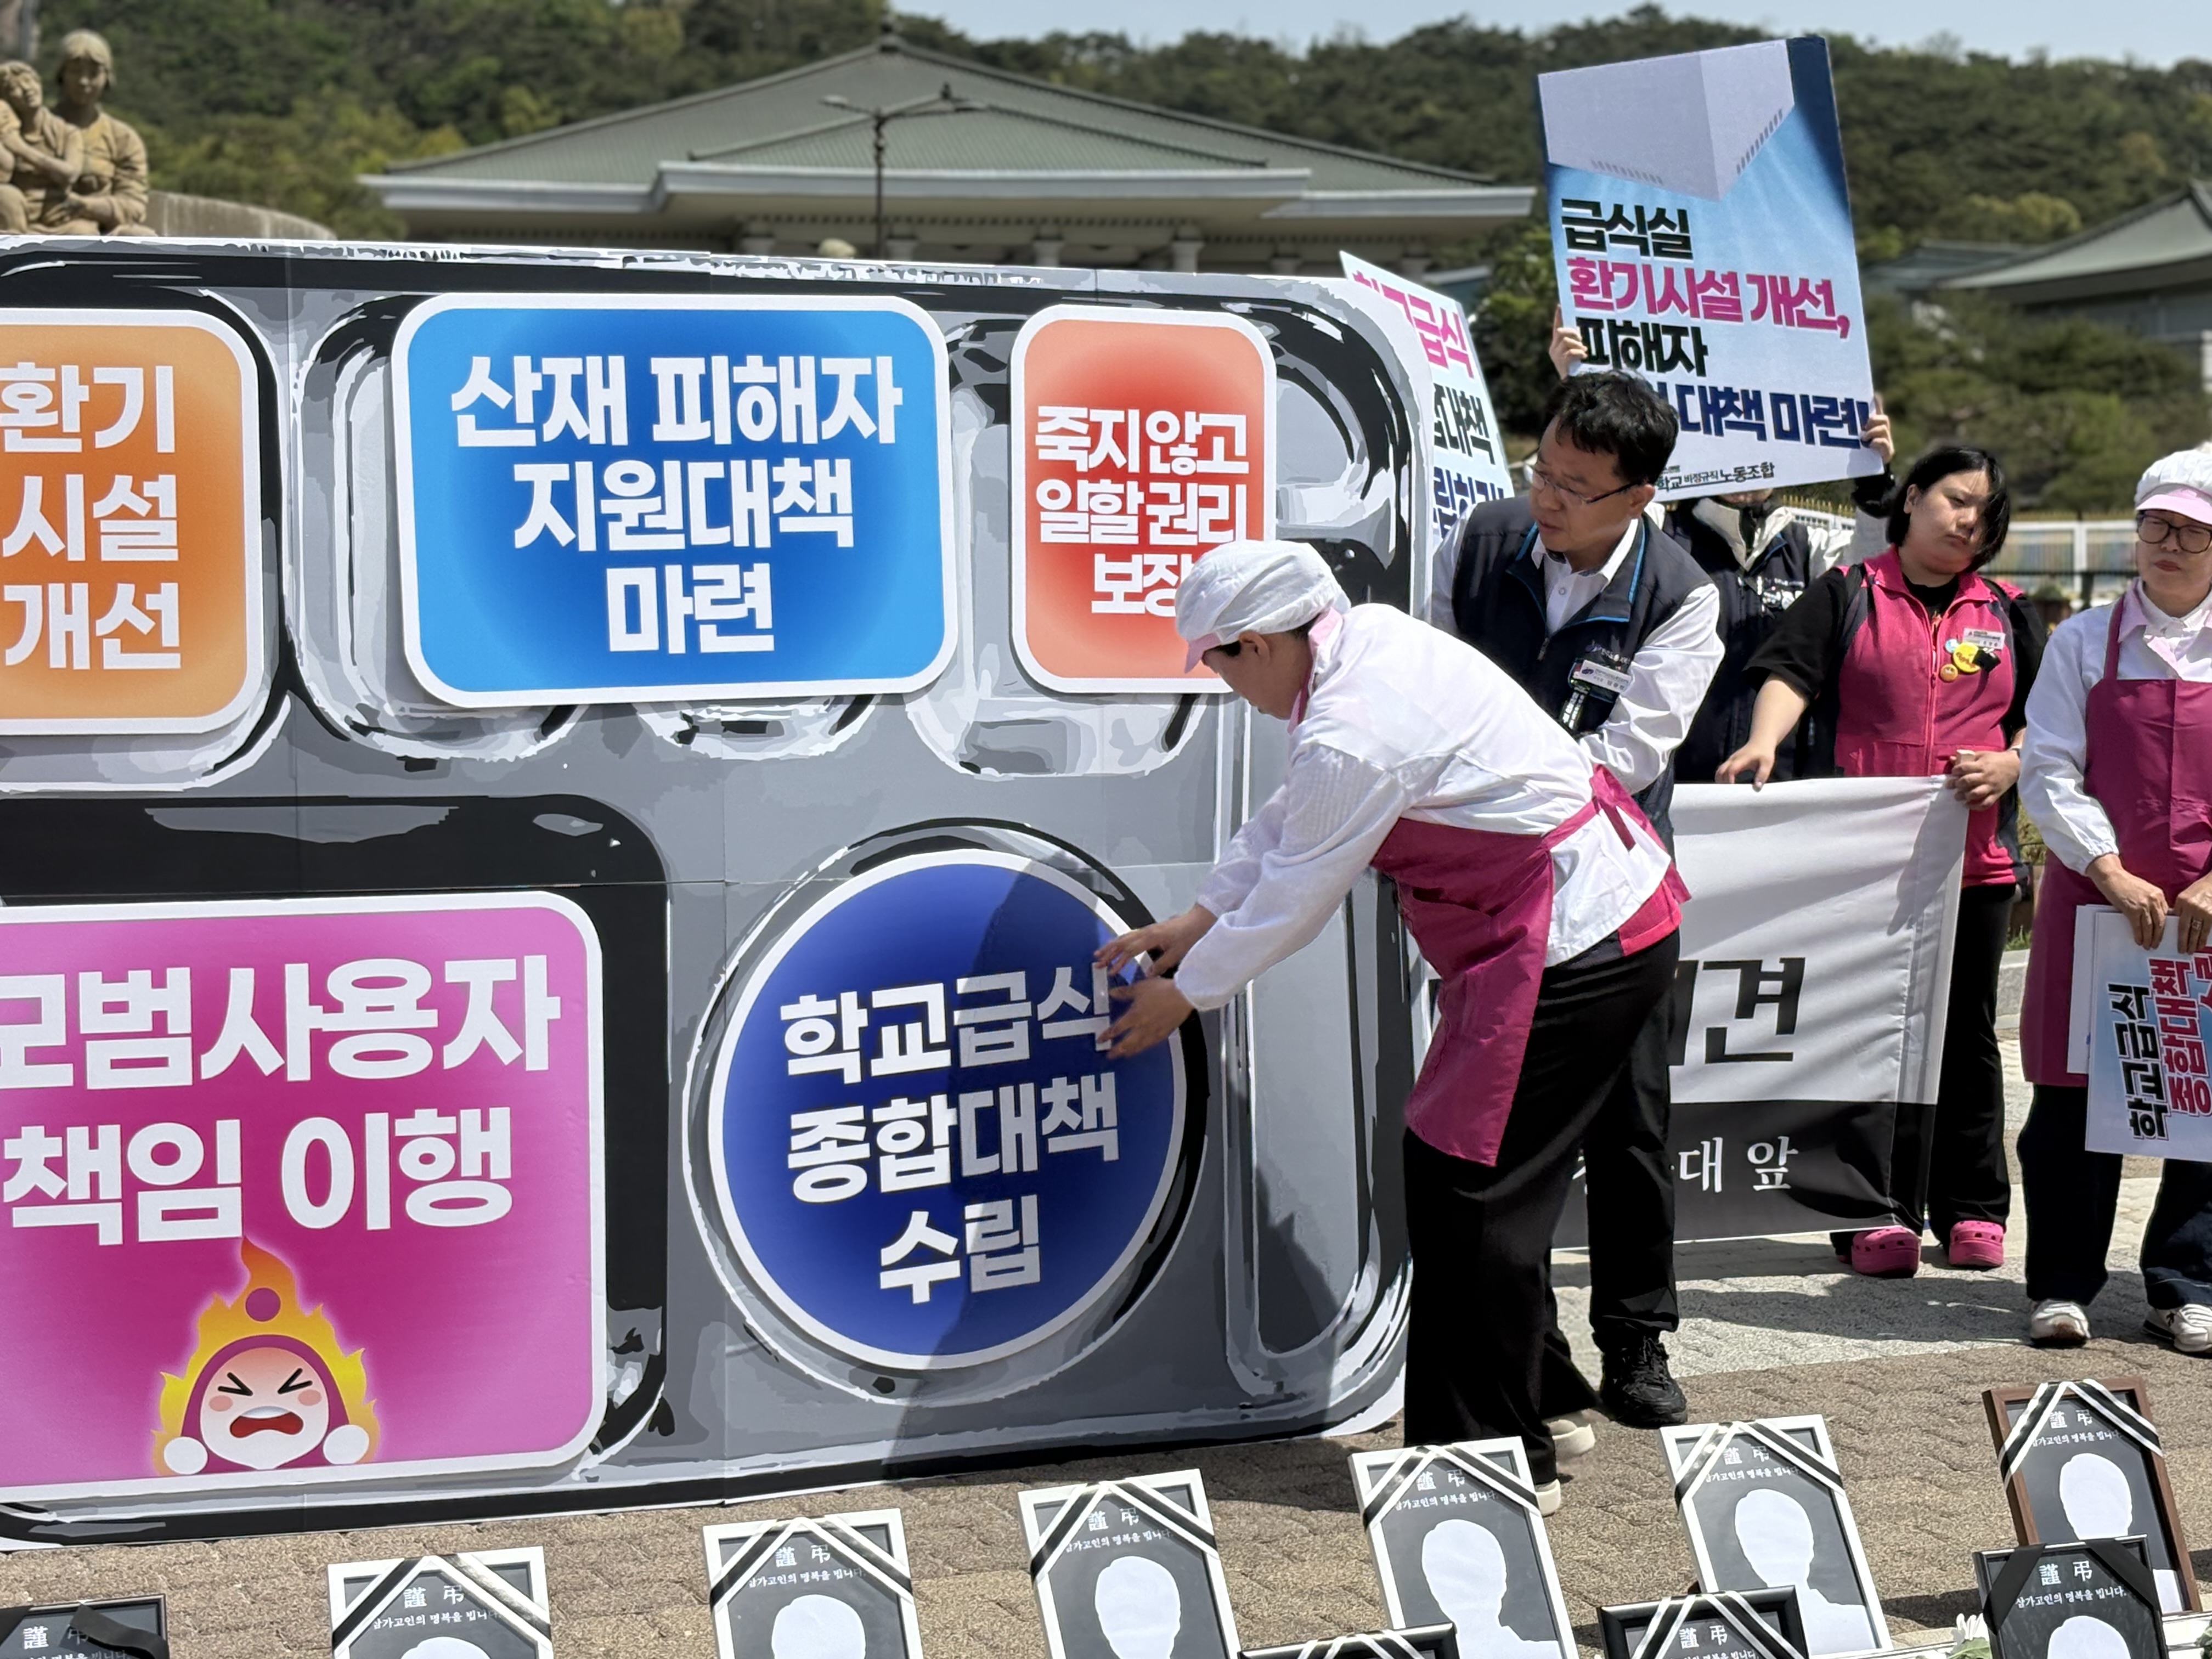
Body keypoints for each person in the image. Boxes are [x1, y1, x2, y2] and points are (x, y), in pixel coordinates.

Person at [1102, 538, 1685, 1510]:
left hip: (1578, 935)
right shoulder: (1360, 645)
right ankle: (1540, 1400)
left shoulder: (1354, 722)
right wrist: (1199, 916)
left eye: (1214, 659)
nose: (1216, 678)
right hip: (1574, 922)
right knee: (1475, 1173)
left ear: (1254, 643)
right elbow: (1293, 819)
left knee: (1472, 1182)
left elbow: (1298, 889)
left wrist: (1185, 989)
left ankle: (1487, 1461)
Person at [1430, 368, 1718, 1435]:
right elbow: (1429, 678)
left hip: (1614, 898)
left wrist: (1495, 789)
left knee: (1632, 1126)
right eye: (1542, 470)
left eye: (1576, 486)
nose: (1547, 498)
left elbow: (1632, 751)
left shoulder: (1683, 595)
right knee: (1505, 1135)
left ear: (1638, 497)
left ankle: (1637, 1339)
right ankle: (1537, 1347)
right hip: (1484, 900)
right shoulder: (1482, 544)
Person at [1720, 447, 2044, 1278]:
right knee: (1870, 1036)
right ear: (1911, 498)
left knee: (1966, 1036)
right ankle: (1873, 1210)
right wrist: (1763, 742)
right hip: (1864, 866)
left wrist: (2013, 764)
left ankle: (1973, 1206)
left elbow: (2048, 725)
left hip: (1974, 867)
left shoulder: (2007, 611)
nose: (1969, 518)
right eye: (1954, 499)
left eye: (1984, 507)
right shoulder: (1848, 591)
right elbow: (1790, 674)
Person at [2016, 448, 2212, 1356]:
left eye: (2192, 532)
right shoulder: (2080, 640)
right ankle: (2060, 1281)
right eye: (2156, 526)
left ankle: (2184, 1284)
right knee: (2070, 1093)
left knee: (2201, 1093)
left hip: (2207, 913)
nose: (2168, 545)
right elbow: (2049, 764)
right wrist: (2104, 863)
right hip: (2094, 901)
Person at [1545, 312, 1896, 782]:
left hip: (1775, 785)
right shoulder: (1664, 528)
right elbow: (1601, 506)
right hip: (1663, 781)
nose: (1745, 455)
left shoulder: (1805, 543)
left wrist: (1874, 482)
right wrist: (1577, 382)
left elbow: (1868, 583)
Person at [49, 30, 154, 238]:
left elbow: (133, 205)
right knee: (79, 235)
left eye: (94, 73)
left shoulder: (123, 138)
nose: (84, 82)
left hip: (106, 232)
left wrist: (85, 206)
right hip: (47, 230)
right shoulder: (37, 126)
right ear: (61, 74)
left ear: (107, 77)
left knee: (143, 240)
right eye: (75, 71)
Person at [0, 60, 80, 234]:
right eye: (15, 88)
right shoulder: (7, 133)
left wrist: (22, 150)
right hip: (20, 220)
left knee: (84, 235)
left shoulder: (67, 133)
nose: (27, 89)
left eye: (29, 81)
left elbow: (70, 174)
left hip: (60, 221)